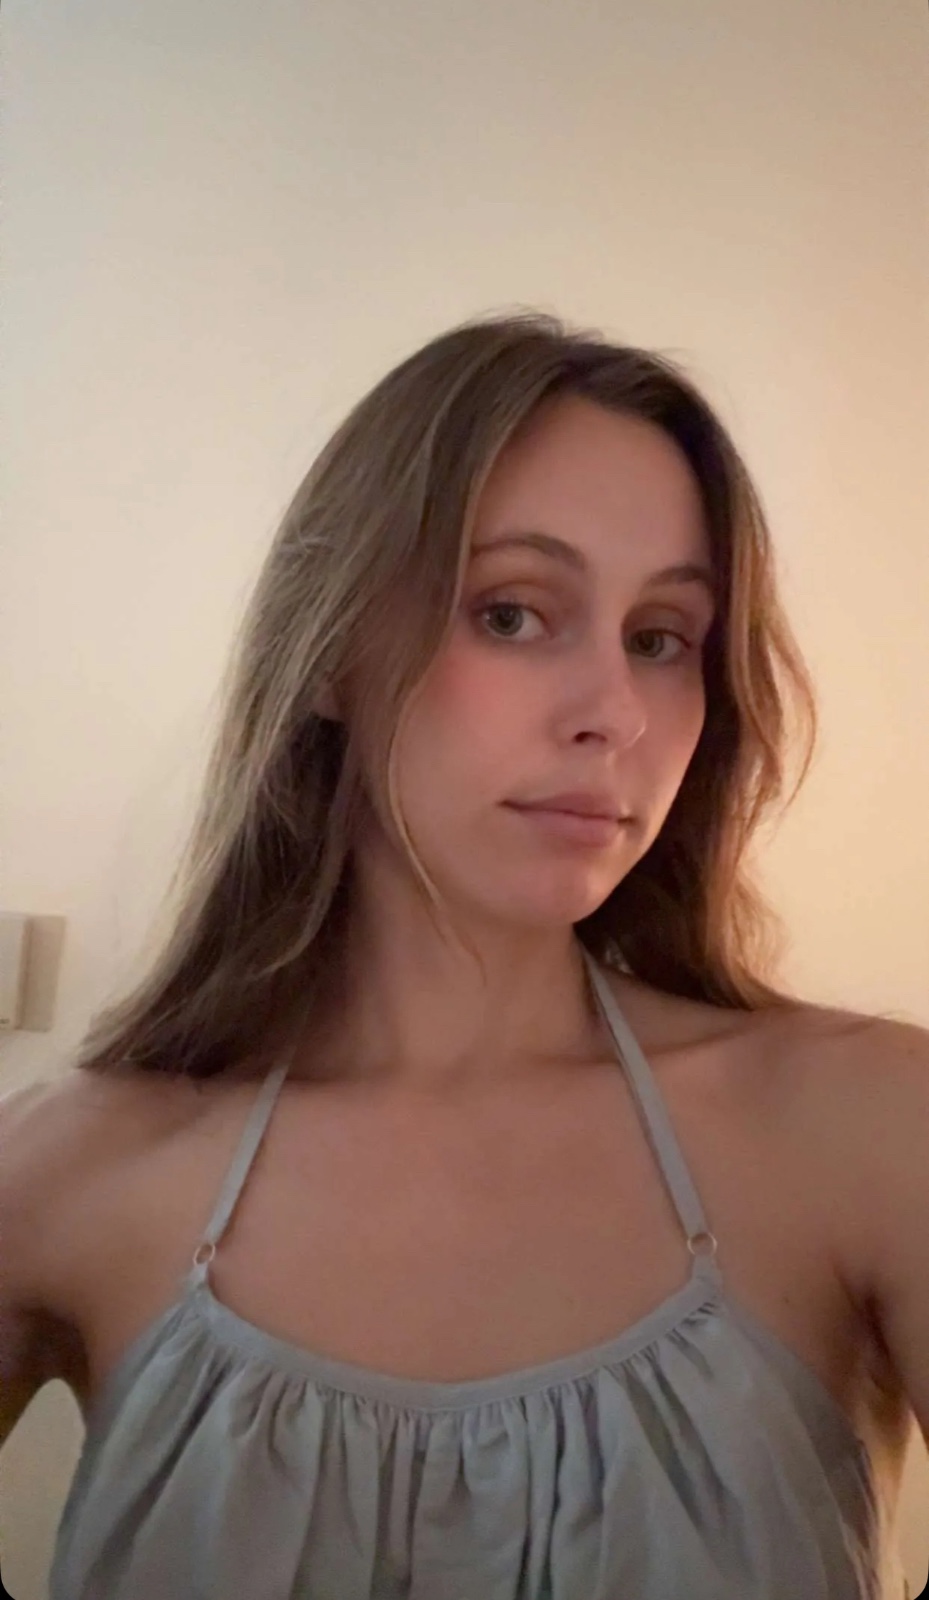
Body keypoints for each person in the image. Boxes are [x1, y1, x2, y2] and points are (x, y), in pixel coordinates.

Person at [1, 310, 925, 1599]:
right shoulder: (68, 1172)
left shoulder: (869, 1129)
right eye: (512, 613)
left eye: (661, 638)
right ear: (331, 653)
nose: (614, 713)